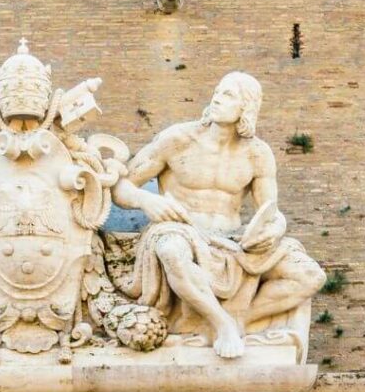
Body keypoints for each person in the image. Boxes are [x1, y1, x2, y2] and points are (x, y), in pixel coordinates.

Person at [113, 71, 326, 358]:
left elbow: (270, 212)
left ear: (246, 108)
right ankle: (221, 323)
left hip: (234, 240)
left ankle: (242, 319)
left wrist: (272, 230)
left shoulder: (257, 154)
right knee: (171, 250)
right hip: (180, 229)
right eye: (217, 91)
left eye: (228, 95)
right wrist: (145, 200)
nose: (216, 97)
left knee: (310, 275)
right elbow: (121, 185)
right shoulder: (178, 139)